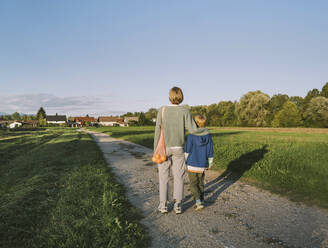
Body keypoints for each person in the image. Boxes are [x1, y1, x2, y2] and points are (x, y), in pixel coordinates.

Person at [154, 87, 207, 214]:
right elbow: (193, 130)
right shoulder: (184, 111)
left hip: (164, 148)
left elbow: (157, 130)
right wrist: (205, 131)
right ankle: (178, 205)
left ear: (169, 96)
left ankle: (163, 205)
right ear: (181, 96)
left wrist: (156, 149)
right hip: (178, 148)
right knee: (179, 177)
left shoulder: (162, 110)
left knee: (163, 177)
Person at [185, 115, 214, 210]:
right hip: (202, 164)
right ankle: (202, 200)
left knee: (193, 184)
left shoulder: (191, 135)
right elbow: (210, 151)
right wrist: (210, 163)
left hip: (192, 164)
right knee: (200, 183)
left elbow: (187, 150)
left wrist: (184, 160)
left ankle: (197, 201)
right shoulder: (208, 135)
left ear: (195, 123)